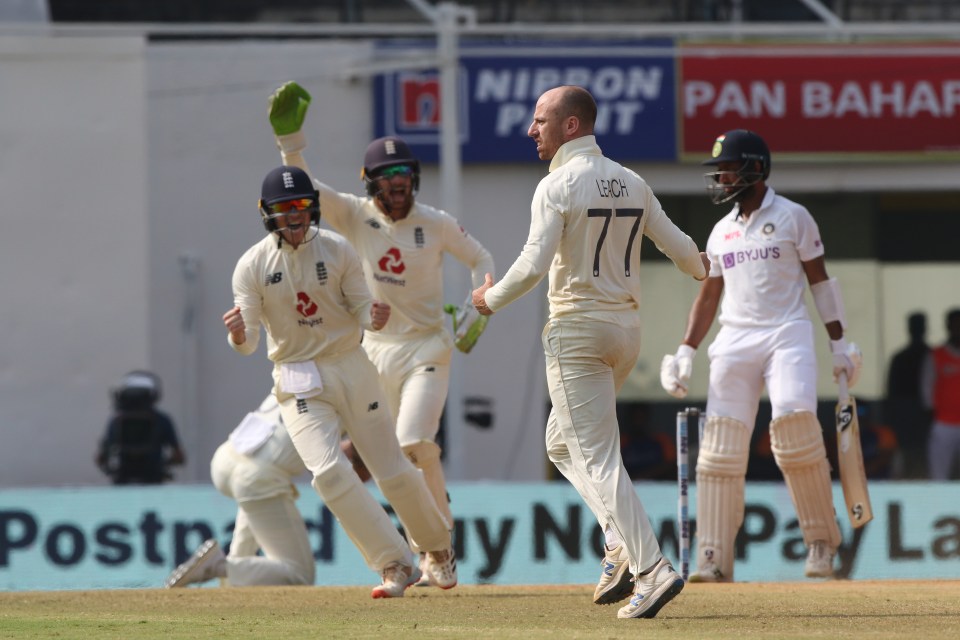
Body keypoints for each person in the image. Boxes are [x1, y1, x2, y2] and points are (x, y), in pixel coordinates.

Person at [471, 85, 708, 620]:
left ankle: (652, 570)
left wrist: (489, 299)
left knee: (598, 458)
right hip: (625, 333)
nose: (532, 130)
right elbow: (681, 249)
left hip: (577, 332)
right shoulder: (632, 181)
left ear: (571, 126)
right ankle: (619, 543)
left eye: (540, 120)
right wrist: (702, 267)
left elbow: (533, 264)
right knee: (561, 443)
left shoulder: (557, 183)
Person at [266, 81, 495, 579]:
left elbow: (481, 258)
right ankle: (434, 544)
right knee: (391, 456)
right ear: (370, 183)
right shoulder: (354, 214)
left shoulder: (435, 222)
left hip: (428, 346)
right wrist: (291, 143)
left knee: (416, 441)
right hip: (372, 352)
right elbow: (305, 190)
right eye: (387, 177)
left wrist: (479, 304)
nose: (397, 184)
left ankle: (438, 545)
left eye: (404, 175)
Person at [222, 164, 457, 598]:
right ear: (266, 213)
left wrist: (374, 316)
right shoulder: (251, 266)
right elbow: (249, 341)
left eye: (300, 207)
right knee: (329, 473)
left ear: (312, 209)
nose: (294, 217)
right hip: (296, 378)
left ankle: (438, 547)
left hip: (350, 364)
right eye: (283, 208)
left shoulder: (338, 249)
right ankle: (393, 563)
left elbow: (364, 307)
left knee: (390, 467)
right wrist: (238, 334)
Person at [659, 129, 862, 583]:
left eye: (728, 168)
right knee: (718, 452)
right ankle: (713, 555)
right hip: (734, 340)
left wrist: (839, 343)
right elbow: (709, 296)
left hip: (786, 334)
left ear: (755, 168)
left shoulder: (794, 217)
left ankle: (821, 545)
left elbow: (821, 283)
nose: (721, 177)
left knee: (794, 430)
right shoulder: (721, 230)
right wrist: (686, 350)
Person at [165, 394, 315, 588]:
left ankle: (229, 580)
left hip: (228, 457)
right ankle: (219, 566)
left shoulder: (291, 368)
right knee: (300, 576)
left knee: (246, 540)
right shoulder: (344, 377)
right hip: (259, 474)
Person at [95, 370, 185, 484]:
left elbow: (101, 458)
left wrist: (109, 469)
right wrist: (164, 465)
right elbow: (179, 457)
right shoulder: (163, 420)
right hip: (154, 478)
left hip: (123, 478)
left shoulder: (116, 421)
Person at [885, 311, 932, 478]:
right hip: (904, 418)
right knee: (904, 459)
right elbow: (891, 393)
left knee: (928, 459)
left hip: (927, 418)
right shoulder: (899, 358)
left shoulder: (932, 356)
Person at [921, 307, 960, 480]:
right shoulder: (936, 355)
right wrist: (932, 414)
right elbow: (926, 388)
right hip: (944, 423)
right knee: (939, 475)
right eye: (955, 324)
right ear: (948, 326)